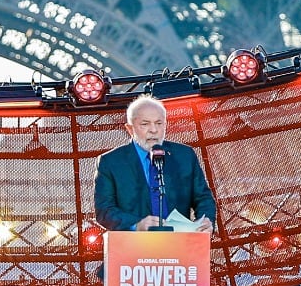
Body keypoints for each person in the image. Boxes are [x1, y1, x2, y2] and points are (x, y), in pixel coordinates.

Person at [92, 95, 216, 232]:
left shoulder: (184, 155)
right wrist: (137, 225)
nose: (154, 130)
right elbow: (104, 211)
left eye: (159, 123)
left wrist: (206, 221)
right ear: (130, 129)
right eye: (145, 124)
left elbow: (203, 198)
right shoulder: (110, 162)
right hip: (135, 246)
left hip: (181, 244)